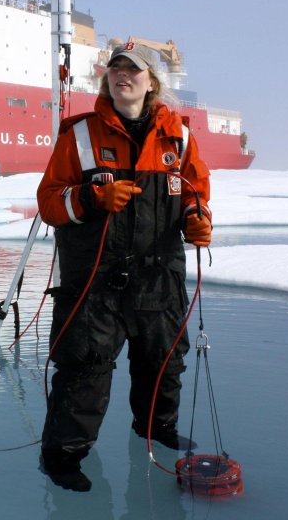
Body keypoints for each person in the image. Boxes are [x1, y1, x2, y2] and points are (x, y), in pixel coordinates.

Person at [36, 42, 212, 492]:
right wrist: (91, 198)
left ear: (151, 82)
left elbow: (195, 191)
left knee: (164, 363)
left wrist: (197, 218)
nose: (122, 75)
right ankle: (63, 457)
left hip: (159, 278)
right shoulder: (79, 134)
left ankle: (156, 431)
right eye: (115, 68)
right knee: (84, 371)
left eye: (133, 70)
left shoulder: (180, 136)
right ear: (107, 80)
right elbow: (49, 202)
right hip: (95, 283)